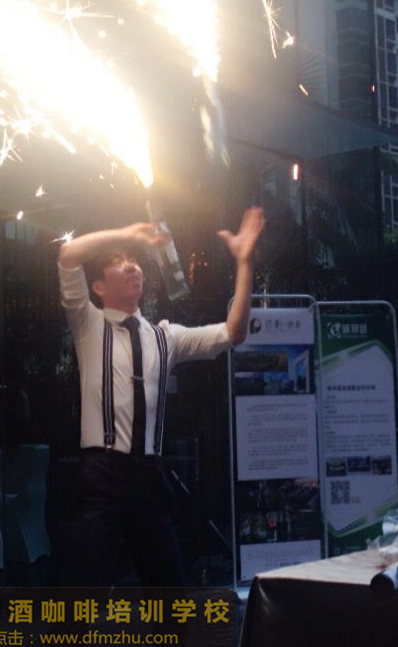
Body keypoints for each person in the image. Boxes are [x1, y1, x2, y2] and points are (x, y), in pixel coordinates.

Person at [57, 207, 264, 585]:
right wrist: (126, 235)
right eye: (118, 263)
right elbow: (69, 255)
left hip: (148, 476)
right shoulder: (88, 324)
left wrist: (245, 262)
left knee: (169, 595)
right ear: (98, 288)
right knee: (81, 592)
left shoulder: (165, 336)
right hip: (101, 474)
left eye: (135, 261)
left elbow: (233, 332)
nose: (132, 266)